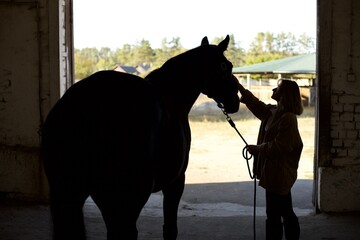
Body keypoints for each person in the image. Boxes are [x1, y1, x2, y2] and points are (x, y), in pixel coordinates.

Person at [237, 78, 303, 240]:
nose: (274, 89)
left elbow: (279, 147)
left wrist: (257, 149)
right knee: (282, 211)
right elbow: (255, 104)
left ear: (284, 94)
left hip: (280, 174)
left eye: (278, 88)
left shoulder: (288, 118)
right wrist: (239, 87)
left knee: (277, 214)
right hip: (272, 172)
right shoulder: (273, 112)